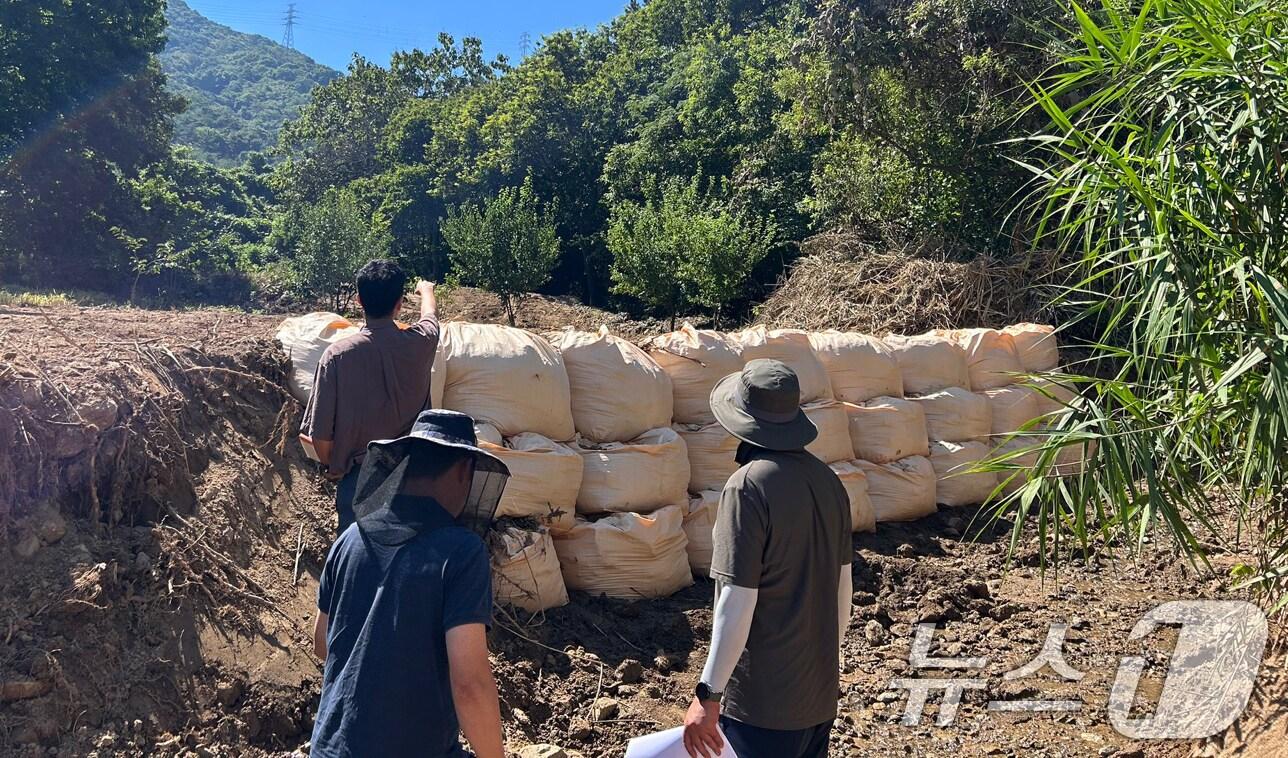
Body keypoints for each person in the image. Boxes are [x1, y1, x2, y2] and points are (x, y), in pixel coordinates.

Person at [310, 409, 511, 758]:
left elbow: (322, 644)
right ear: (465, 470)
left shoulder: (350, 539)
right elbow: (470, 684)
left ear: (405, 467)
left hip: (330, 749)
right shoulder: (462, 553)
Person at [682, 359, 854, 758]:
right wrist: (818, 670)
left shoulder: (747, 486)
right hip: (817, 697)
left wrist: (708, 694)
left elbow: (737, 599)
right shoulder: (829, 483)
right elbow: (842, 594)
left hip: (762, 707)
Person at [299, 259, 439, 536]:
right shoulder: (421, 342)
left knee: (358, 563)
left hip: (360, 482)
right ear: (400, 303)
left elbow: (321, 439)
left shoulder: (337, 357)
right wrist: (426, 291)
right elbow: (430, 317)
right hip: (411, 478)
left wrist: (334, 465)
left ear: (359, 300)